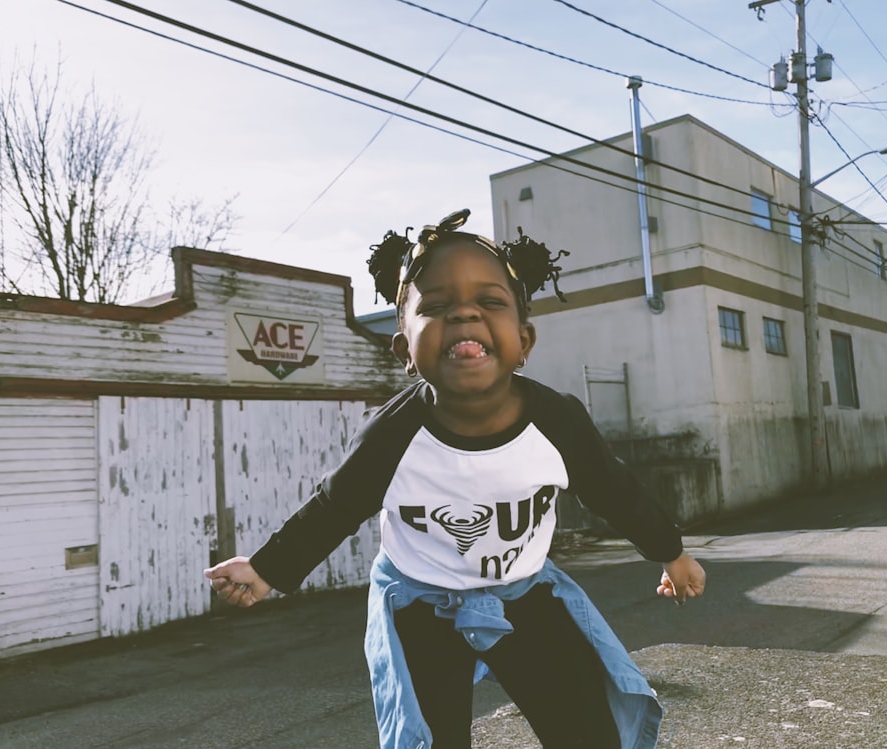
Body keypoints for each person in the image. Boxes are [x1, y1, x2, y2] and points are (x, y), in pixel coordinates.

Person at [205, 208, 706, 749]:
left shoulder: (557, 421)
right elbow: (334, 507)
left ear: (524, 340)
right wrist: (266, 569)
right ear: (405, 351)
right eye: (438, 307)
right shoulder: (391, 435)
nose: (465, 317)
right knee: (429, 738)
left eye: (489, 302)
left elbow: (613, 489)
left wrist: (670, 552)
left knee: (588, 730)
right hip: (422, 602)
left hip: (524, 591)